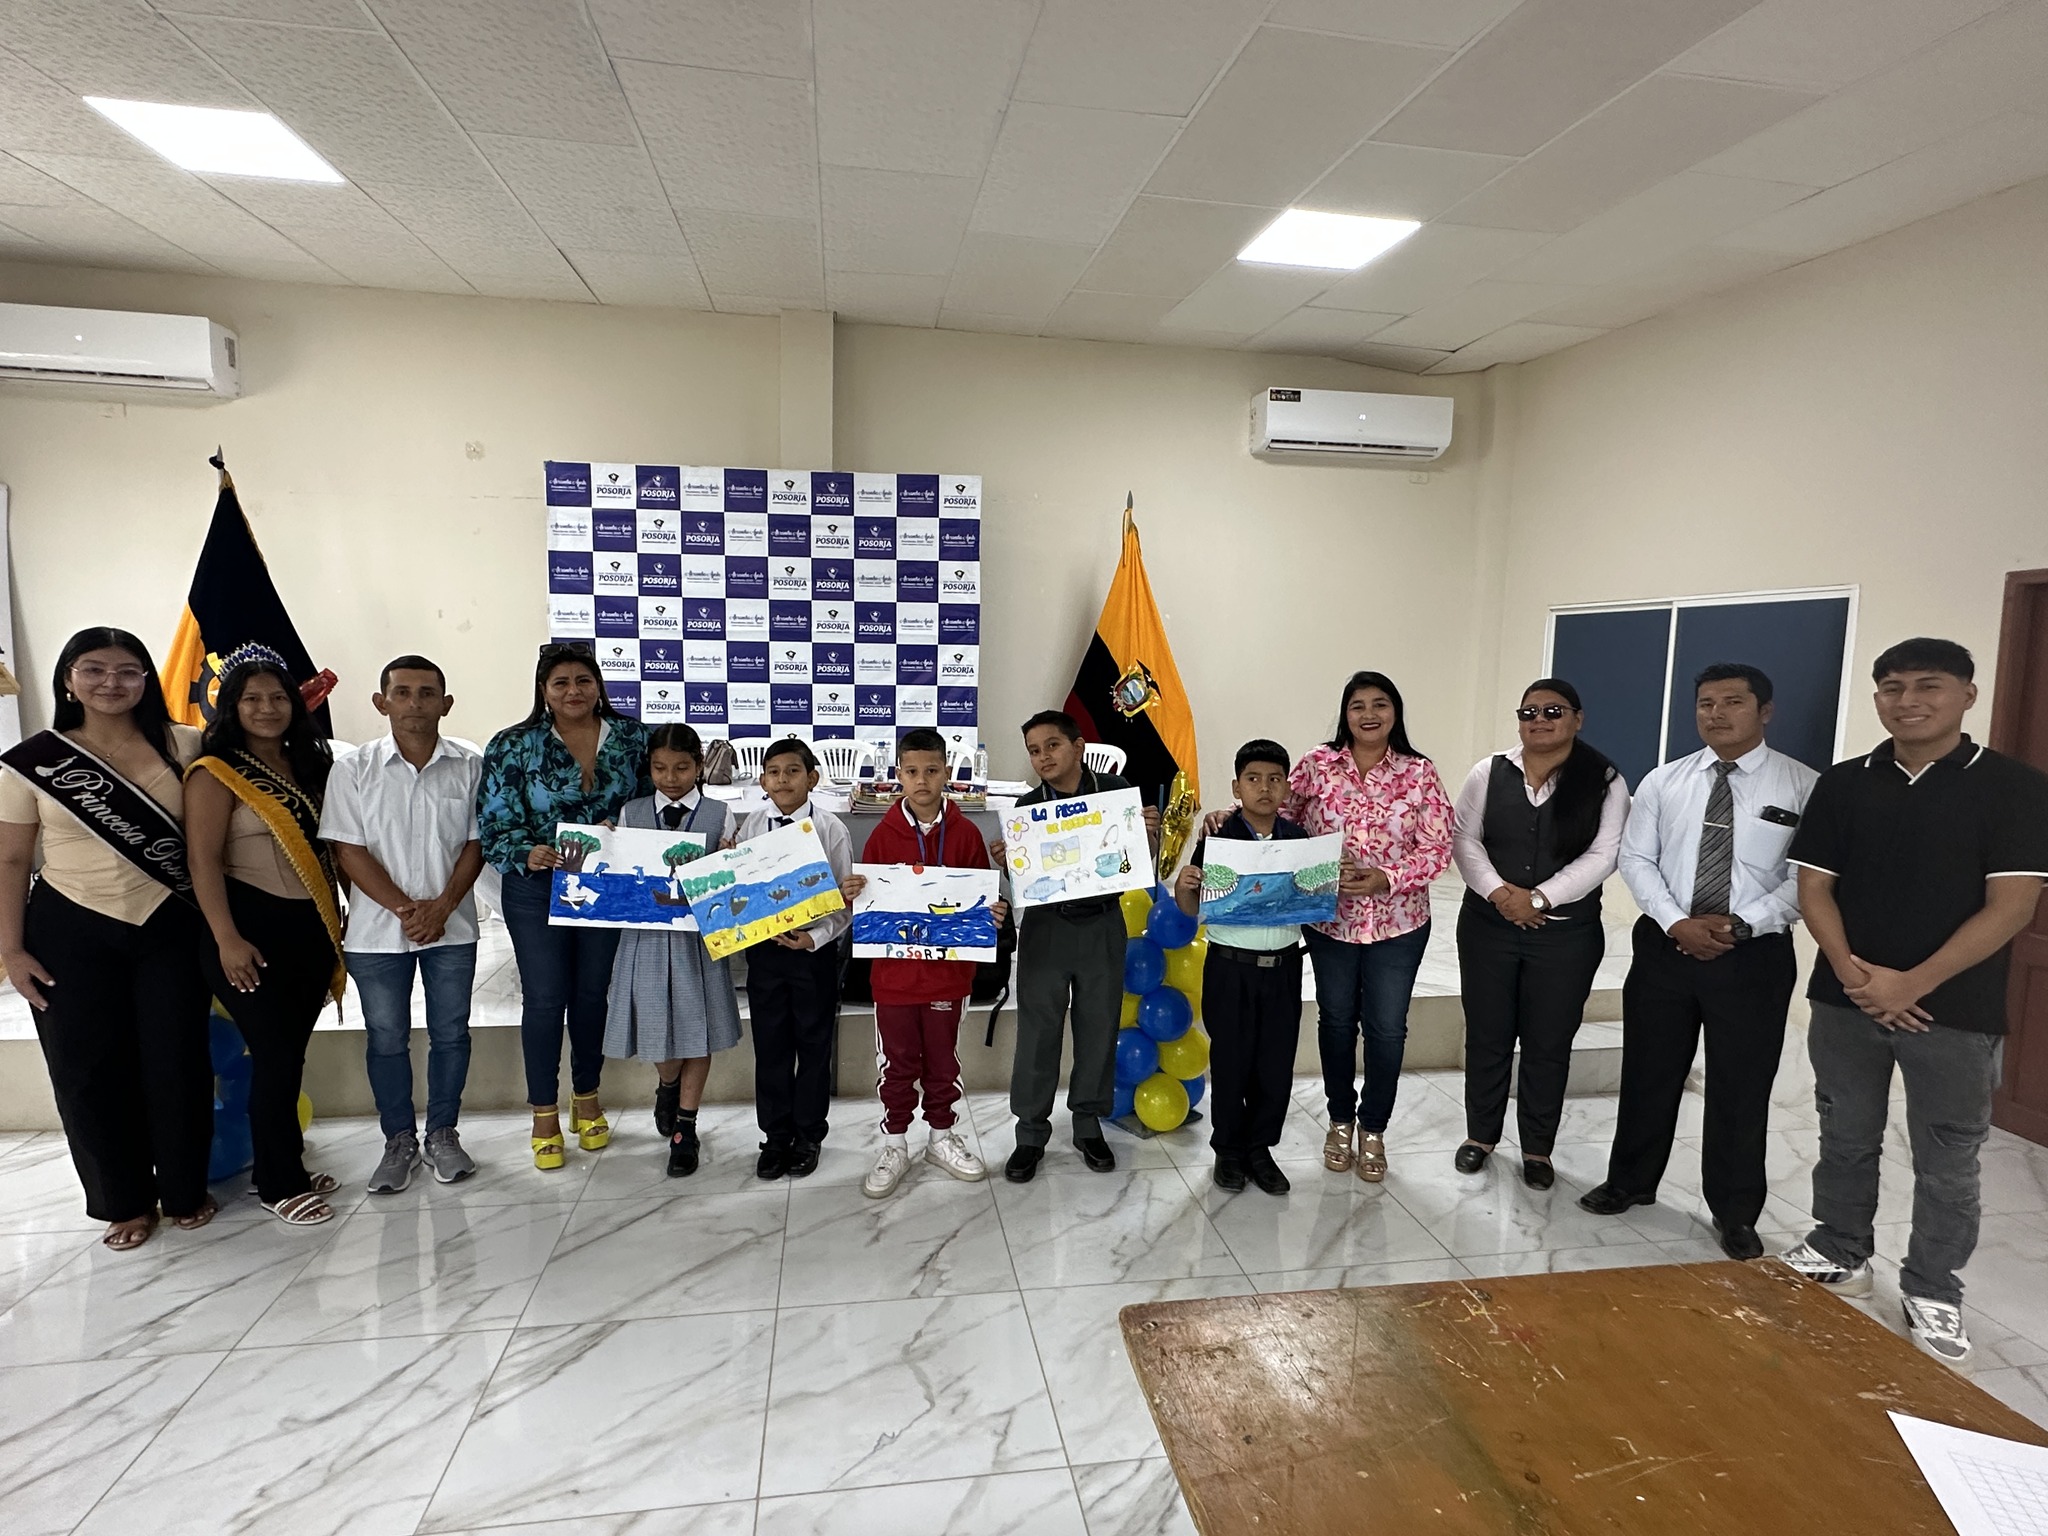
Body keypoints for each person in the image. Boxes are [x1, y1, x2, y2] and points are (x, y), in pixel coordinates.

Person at [1778, 639, 2048, 1365]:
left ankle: (1933, 1287)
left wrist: (1912, 983)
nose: (1909, 701)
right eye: (1892, 687)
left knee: (1949, 1157)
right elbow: (1814, 888)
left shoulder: (2015, 787)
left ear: (1967, 695)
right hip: (1846, 1001)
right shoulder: (1845, 783)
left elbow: (2013, 906)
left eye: (1929, 685)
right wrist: (1855, 975)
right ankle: (1840, 1247)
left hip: (1954, 1011)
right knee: (1844, 1133)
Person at [1578, 663, 1817, 1263]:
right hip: (1666, 947)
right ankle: (1630, 1181)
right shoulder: (1665, 780)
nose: (1716, 713)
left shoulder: (1804, 785)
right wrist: (1676, 922)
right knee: (1648, 1070)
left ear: (1765, 711)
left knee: (1741, 1085)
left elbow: (1806, 879)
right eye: (1706, 703)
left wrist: (1741, 924)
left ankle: (1735, 1211)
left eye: (1732, 702)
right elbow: (1637, 859)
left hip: (1753, 955)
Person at [0, 628, 215, 1250]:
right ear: (69, 679)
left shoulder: (188, 744)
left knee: (177, 1059)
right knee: (85, 1067)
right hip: (69, 925)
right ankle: (123, 1201)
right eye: (93, 670)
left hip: (170, 920)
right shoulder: (32, 761)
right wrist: (11, 950)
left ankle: (184, 1190)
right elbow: (10, 860)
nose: (110, 683)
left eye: (127, 671)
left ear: (147, 679)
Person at [186, 648, 346, 1227]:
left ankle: (284, 1161)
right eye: (251, 698)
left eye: (278, 697)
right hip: (248, 930)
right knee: (274, 1055)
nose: (267, 708)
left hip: (309, 929)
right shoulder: (215, 772)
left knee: (289, 1054)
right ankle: (278, 1183)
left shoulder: (309, 765)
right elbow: (202, 862)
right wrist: (225, 938)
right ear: (230, 706)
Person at [1451, 679, 1628, 1188]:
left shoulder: (1605, 780)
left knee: (1548, 1041)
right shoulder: (1489, 771)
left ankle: (1537, 1148)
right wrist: (1499, 894)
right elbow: (1464, 838)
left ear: (1577, 718)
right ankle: (1481, 1136)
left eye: (1553, 711)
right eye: (1529, 712)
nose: (1540, 720)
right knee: (1487, 1034)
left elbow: (1605, 853)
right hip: (1488, 928)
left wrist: (1539, 898)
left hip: (1565, 937)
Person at [478, 643, 649, 1170]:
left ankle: (587, 1097)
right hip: (538, 885)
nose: (573, 691)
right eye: (561, 683)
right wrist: (524, 851)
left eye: (583, 680)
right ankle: (543, 1113)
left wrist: (632, 831)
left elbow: (653, 803)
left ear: (599, 685)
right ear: (544, 691)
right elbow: (492, 823)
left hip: (606, 884)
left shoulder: (633, 738)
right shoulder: (513, 744)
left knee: (593, 995)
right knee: (546, 999)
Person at [319, 655, 483, 1193]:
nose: (415, 703)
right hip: (375, 933)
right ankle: (398, 1140)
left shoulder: (470, 765)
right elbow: (348, 848)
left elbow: (476, 843)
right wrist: (406, 909)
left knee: (451, 1034)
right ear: (381, 702)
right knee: (386, 1037)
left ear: (446, 703)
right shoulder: (352, 769)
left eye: (427, 693)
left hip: (451, 928)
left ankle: (443, 1134)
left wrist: (442, 906)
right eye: (403, 692)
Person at [1285, 672, 1453, 1183]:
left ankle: (1373, 1127)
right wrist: (1227, 819)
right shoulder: (1317, 764)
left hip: (1399, 925)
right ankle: (1339, 1119)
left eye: (1380, 704)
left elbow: (1439, 848)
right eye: (1357, 705)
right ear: (1345, 714)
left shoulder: (1419, 772)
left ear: (1395, 712)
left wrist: (1387, 877)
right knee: (1336, 1022)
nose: (1369, 714)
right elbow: (1278, 814)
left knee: (1387, 1028)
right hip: (1330, 923)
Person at [841, 727, 1006, 1198]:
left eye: (931, 771)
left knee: (942, 1062)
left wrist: (992, 912)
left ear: (947, 773)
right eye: (912, 771)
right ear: (898, 775)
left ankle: (940, 1136)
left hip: (948, 978)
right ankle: (894, 1143)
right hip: (893, 978)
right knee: (896, 1064)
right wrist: (853, 895)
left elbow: (979, 900)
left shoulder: (968, 834)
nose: (921, 780)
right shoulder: (882, 835)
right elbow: (868, 906)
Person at [998, 710, 1160, 1183]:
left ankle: (1088, 1123)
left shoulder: (1115, 793)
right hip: (1047, 928)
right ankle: (1030, 1132)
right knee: (1037, 1033)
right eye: (1034, 751)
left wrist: (1148, 835)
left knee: (1098, 1027)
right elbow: (1024, 880)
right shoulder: (1028, 809)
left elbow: (1138, 862)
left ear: (1078, 746)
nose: (1043, 757)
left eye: (1052, 745)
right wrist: (1008, 862)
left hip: (1102, 924)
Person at [602, 723, 741, 1179]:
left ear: (699, 767)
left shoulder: (720, 814)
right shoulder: (632, 812)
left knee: (698, 1028)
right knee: (656, 1022)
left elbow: (734, 883)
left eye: (682, 768)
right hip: (645, 939)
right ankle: (668, 1082)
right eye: (660, 768)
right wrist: (603, 848)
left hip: (698, 941)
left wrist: (732, 860)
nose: (670, 778)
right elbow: (617, 878)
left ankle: (686, 1124)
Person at [1172, 739, 1308, 1196]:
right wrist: (1185, 886)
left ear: (1286, 788)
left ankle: (1261, 1148)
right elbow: (1191, 906)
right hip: (1230, 968)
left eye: (1274, 779)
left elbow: (1312, 902)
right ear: (1237, 787)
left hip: (1284, 967)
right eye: (1253, 779)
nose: (1264, 788)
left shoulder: (1299, 841)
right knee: (1231, 1062)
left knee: (1275, 1064)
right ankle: (1228, 1150)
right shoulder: (1218, 838)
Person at [734, 736, 852, 1180]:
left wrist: (815, 938)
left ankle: (808, 1135)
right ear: (763, 781)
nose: (782, 780)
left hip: (811, 957)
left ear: (812, 778)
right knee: (771, 1046)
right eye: (774, 772)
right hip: (764, 955)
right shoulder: (752, 825)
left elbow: (844, 901)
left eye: (792, 771)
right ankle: (775, 1135)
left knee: (814, 1046)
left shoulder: (830, 829)